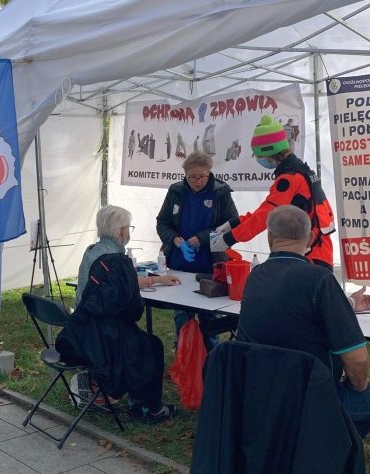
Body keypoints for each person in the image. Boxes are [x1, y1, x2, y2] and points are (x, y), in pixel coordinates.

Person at [237, 205, 370, 437]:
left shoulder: (255, 276)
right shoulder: (319, 279)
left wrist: (346, 303)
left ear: (269, 237)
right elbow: (357, 360)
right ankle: (341, 454)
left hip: (261, 393)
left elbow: (292, 307)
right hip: (312, 398)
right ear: (309, 238)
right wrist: (358, 388)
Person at [57, 205, 181, 424]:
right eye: (128, 227)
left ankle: (132, 399)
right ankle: (149, 409)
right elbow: (133, 310)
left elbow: (116, 286)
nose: (129, 232)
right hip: (105, 338)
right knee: (152, 346)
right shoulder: (118, 261)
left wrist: (156, 280)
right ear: (121, 231)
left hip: (82, 330)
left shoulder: (92, 252)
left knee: (142, 343)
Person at [211, 114, 335, 270]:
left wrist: (229, 238)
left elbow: (265, 216)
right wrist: (233, 223)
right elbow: (266, 209)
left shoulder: (288, 180)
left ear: (268, 154)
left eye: (258, 155)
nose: (258, 159)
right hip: (316, 248)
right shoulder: (301, 171)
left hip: (310, 254)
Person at [156, 151, 238, 349]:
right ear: (185, 175)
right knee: (181, 314)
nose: (197, 181)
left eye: (201, 176)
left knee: (209, 316)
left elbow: (233, 224)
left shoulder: (220, 192)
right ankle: (184, 355)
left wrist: (202, 238)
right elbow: (162, 222)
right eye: (191, 177)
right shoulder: (176, 191)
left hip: (210, 265)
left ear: (209, 173)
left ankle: (212, 356)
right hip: (180, 263)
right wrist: (175, 240)